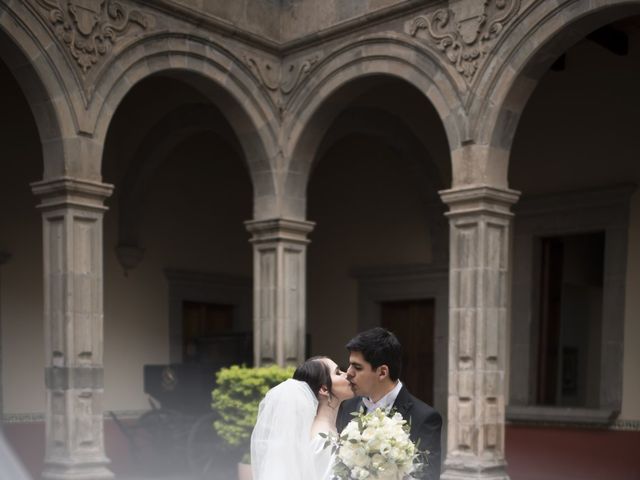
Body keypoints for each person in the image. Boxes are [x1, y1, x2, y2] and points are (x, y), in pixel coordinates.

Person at [337, 327, 442, 480]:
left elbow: (428, 476)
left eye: (357, 367)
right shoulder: (348, 407)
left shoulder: (425, 418)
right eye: (350, 365)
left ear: (382, 372)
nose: (349, 373)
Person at [250, 356, 354, 480]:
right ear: (324, 389)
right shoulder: (321, 439)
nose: (346, 374)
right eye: (338, 372)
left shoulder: (326, 431)